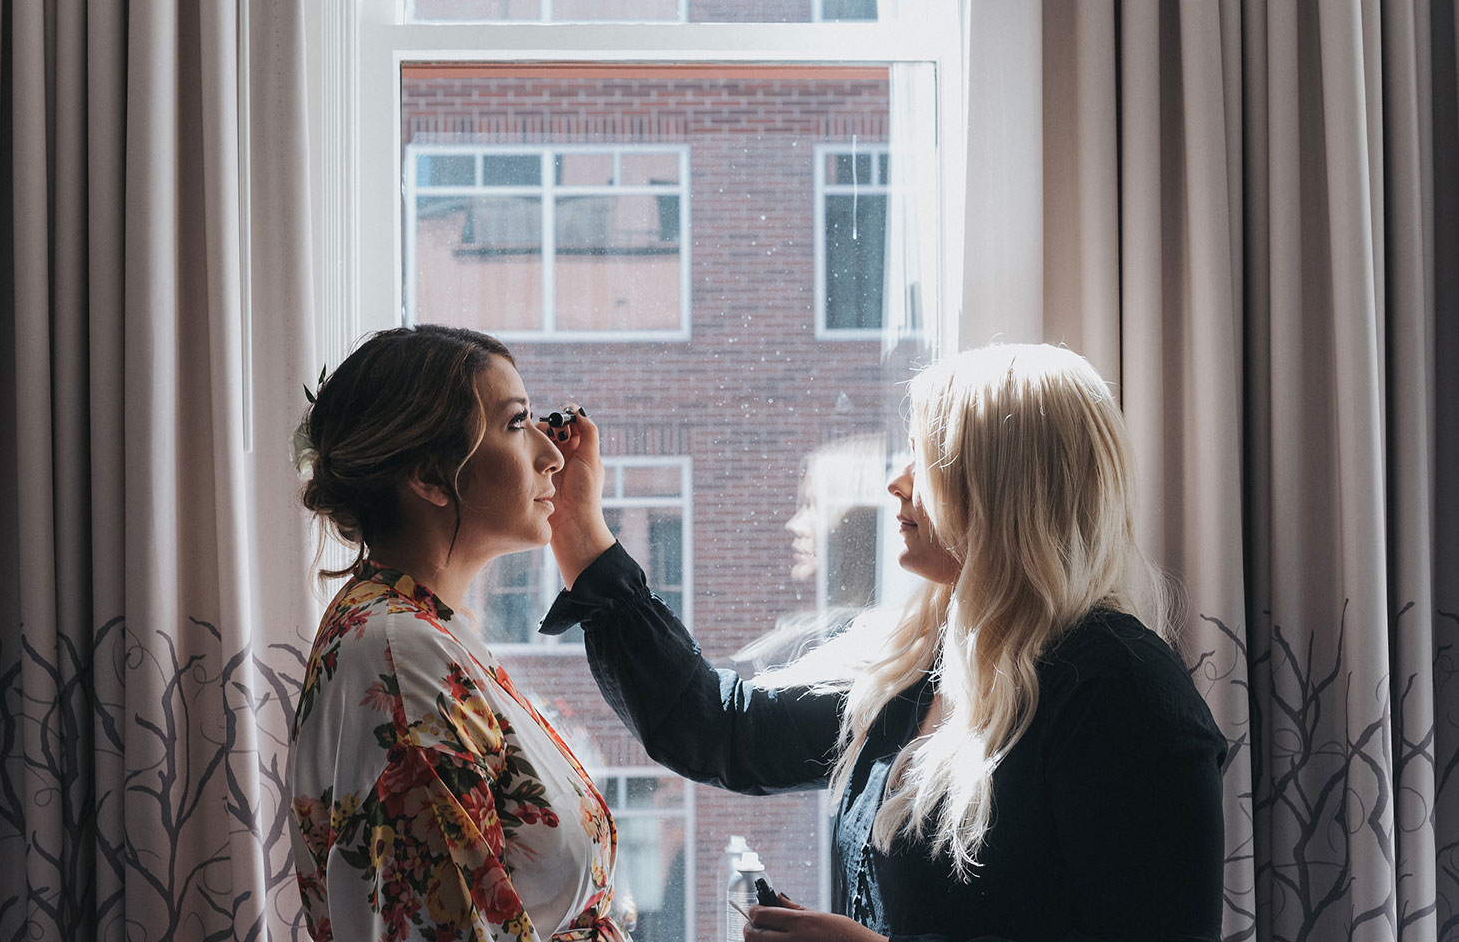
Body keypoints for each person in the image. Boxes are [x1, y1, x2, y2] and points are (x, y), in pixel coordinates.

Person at [537, 344, 1227, 942]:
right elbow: (718, 728)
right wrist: (578, 531)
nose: (896, 483)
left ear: (1003, 488)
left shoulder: (1126, 693)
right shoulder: (924, 666)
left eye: (926, 460)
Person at [286, 325, 627, 942]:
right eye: (517, 424)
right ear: (432, 477)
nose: (552, 456)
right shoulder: (401, 656)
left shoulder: (422, 629)